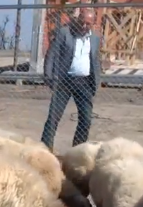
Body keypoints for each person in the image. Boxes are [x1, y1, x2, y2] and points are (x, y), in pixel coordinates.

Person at [40, 8, 102, 150]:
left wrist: (96, 82)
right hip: (64, 80)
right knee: (53, 117)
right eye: (82, 22)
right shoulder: (65, 33)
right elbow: (51, 54)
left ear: (92, 24)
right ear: (77, 20)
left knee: (86, 120)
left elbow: (95, 60)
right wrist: (48, 77)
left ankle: (77, 151)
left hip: (85, 83)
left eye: (88, 24)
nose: (84, 26)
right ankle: (45, 149)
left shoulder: (95, 38)